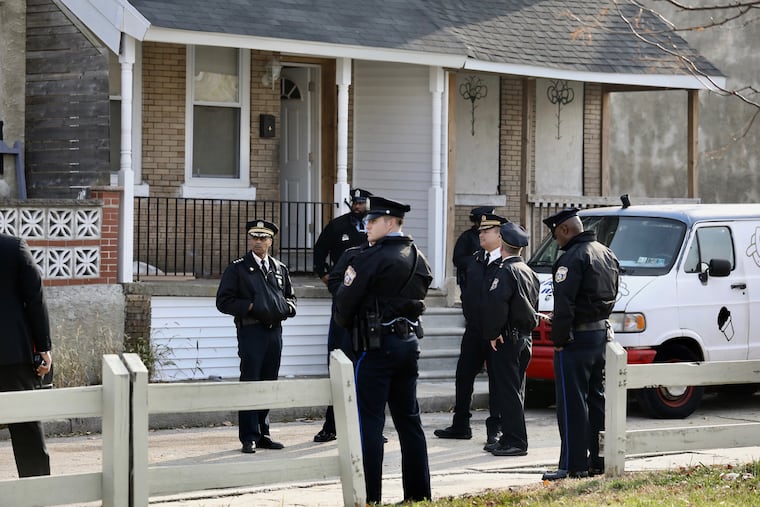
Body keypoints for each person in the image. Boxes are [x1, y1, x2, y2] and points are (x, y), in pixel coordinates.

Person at [334, 196, 432, 504]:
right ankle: (418, 496)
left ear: (390, 223)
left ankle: (369, 497)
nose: (366, 227)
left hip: (376, 348)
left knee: (369, 423)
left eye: (372, 222)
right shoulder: (418, 256)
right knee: (409, 421)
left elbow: (343, 305)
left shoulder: (370, 258)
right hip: (408, 345)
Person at [539, 208, 619, 480]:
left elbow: (565, 305)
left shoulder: (571, 258)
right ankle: (599, 460)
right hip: (599, 335)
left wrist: (559, 340)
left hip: (575, 338)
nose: (556, 241)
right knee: (596, 400)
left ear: (564, 230)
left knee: (572, 403)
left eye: (555, 235)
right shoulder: (606, 253)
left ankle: (573, 465)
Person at [216, 219, 297, 454]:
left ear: (271, 241)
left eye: (263, 238)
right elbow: (223, 301)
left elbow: (290, 297)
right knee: (251, 381)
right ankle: (249, 436)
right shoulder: (238, 268)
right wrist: (251, 306)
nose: (258, 241)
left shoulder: (279, 268)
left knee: (269, 381)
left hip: (274, 332)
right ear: (249, 239)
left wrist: (288, 308)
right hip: (251, 331)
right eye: (254, 237)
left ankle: (264, 433)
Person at [434, 213, 507, 444]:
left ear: (499, 235)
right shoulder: (475, 259)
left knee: (497, 380)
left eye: (487, 231)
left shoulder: (506, 262)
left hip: (497, 332)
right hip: (474, 329)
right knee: (464, 375)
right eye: (481, 231)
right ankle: (460, 424)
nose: (481, 234)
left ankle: (496, 428)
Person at [312, 188, 372, 443]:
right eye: (355, 202)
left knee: (368, 371)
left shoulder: (376, 233)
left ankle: (369, 428)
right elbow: (320, 253)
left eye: (362, 202)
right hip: (344, 309)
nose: (358, 206)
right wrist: (332, 283)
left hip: (368, 312)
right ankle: (331, 425)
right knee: (337, 364)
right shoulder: (338, 226)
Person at [481, 221, 540, 457]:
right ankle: (509, 437)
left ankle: (515, 441)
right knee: (516, 390)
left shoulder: (506, 271)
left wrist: (493, 333)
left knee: (508, 391)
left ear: (503, 244)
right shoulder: (529, 271)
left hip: (508, 337)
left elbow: (498, 306)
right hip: (524, 337)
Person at [0, 233, 53, 477]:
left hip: (13, 355)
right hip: (12, 355)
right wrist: (43, 347)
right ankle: (37, 496)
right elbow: (35, 298)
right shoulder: (13, 247)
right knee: (27, 431)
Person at [452, 206, 494, 288]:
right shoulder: (467, 237)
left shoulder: (495, 236)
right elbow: (458, 260)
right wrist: (477, 259)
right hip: (470, 281)